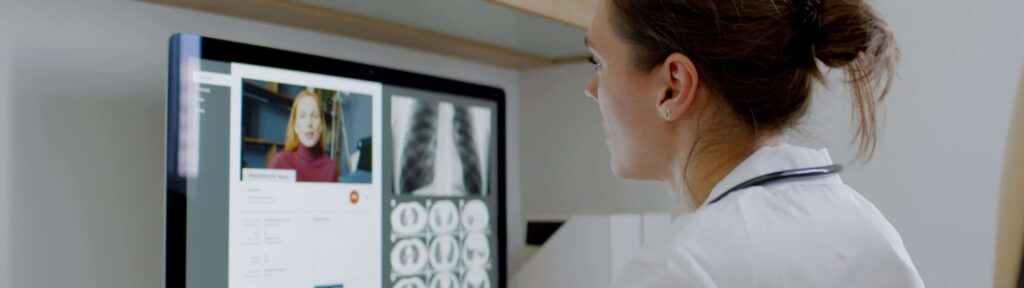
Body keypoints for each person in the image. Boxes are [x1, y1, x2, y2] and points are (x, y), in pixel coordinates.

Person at [583, 0, 924, 286]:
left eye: (599, 62)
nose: (592, 89)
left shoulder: (677, 268)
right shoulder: (873, 233)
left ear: (673, 86)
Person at [269, 90, 339, 182]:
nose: (309, 123)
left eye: (314, 116)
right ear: (295, 126)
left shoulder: (331, 168)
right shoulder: (279, 163)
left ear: (321, 125)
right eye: (302, 116)